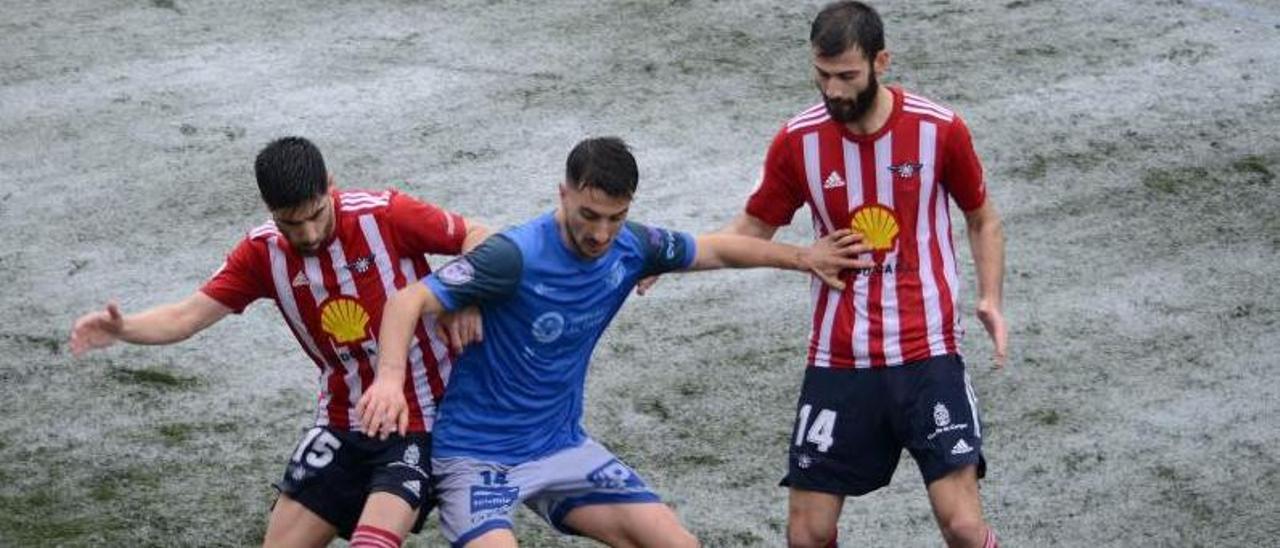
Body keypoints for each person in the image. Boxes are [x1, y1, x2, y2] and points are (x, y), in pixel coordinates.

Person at [357, 136, 871, 547]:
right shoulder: (514, 256)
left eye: (614, 217)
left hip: (560, 447)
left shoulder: (633, 246)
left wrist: (803, 257)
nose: (601, 233)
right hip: (477, 456)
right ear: (563, 194)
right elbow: (406, 302)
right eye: (588, 215)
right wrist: (389, 380)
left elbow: (715, 250)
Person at [68, 136, 489, 548]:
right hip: (343, 420)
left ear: (330, 184)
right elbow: (185, 317)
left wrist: (464, 293)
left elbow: (479, 235)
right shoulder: (260, 253)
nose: (307, 233)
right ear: (269, 209)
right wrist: (124, 330)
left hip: (426, 417)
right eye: (291, 222)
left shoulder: (384, 214)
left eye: (316, 215)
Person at [718, 2, 1008, 547]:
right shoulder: (797, 141)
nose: (832, 91)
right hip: (839, 358)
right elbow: (752, 228)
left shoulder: (939, 129)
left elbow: (982, 217)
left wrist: (991, 297)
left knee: (965, 527)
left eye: (847, 76)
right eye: (822, 75)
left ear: (881, 61)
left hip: (927, 352)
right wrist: (668, 256)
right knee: (808, 533)